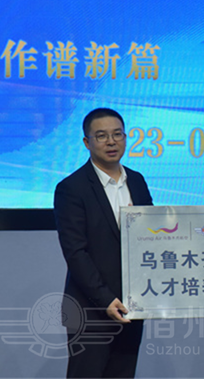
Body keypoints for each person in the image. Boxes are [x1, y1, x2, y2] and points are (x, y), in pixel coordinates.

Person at [54, 108, 153, 378]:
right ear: (87, 142)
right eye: (101, 136)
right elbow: (76, 252)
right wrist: (106, 299)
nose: (111, 142)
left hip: (132, 306)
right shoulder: (71, 188)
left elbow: (151, 239)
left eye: (117, 134)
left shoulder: (137, 181)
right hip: (90, 310)